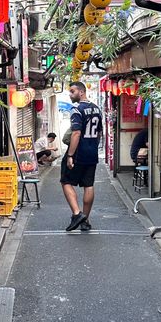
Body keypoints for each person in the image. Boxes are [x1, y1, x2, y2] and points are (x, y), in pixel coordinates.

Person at [60, 81, 103, 232]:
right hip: (92, 153)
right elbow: (98, 133)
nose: (70, 95)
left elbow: (76, 133)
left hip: (78, 152)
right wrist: (93, 147)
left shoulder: (77, 110)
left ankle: (77, 214)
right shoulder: (97, 109)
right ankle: (86, 220)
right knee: (88, 185)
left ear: (81, 92)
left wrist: (70, 155)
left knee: (65, 181)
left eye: (72, 92)